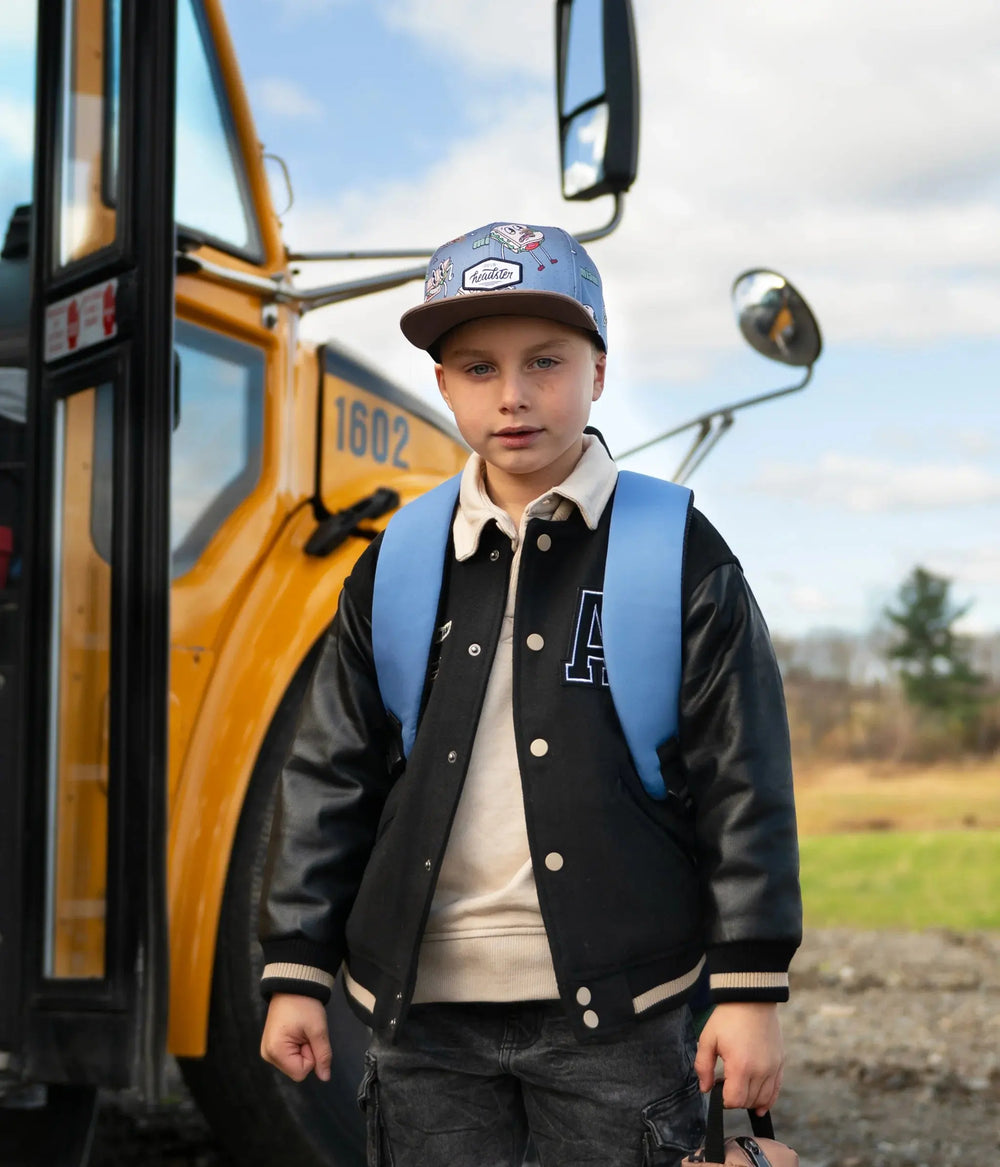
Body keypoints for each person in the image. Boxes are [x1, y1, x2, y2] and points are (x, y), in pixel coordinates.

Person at [258, 221, 802, 1167]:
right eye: (477, 368)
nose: (512, 396)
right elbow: (328, 774)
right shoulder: (396, 562)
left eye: (544, 361)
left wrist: (749, 988)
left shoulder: (677, 549)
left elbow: (744, 774)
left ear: (597, 367)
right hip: (421, 1015)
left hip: (618, 1017)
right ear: (442, 385)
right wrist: (296, 967)